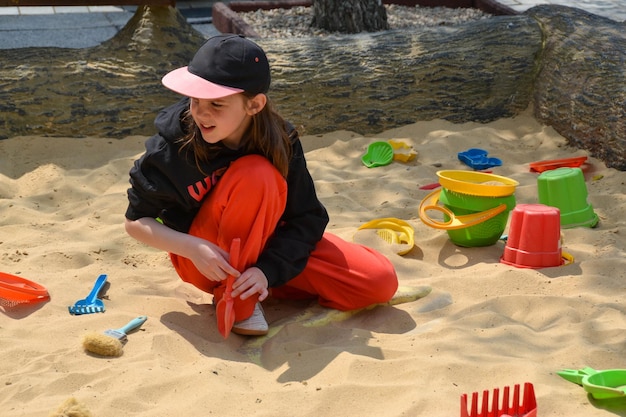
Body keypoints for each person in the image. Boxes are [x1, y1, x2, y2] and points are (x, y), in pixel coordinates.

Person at [124, 34, 398, 337]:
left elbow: (306, 219)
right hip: (205, 260)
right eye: (195, 100)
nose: (201, 113)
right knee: (257, 174)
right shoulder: (173, 144)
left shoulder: (281, 140)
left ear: (254, 105)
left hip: (266, 248)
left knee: (378, 282)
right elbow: (136, 221)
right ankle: (238, 299)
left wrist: (267, 272)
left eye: (216, 103)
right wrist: (192, 247)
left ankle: (258, 287)